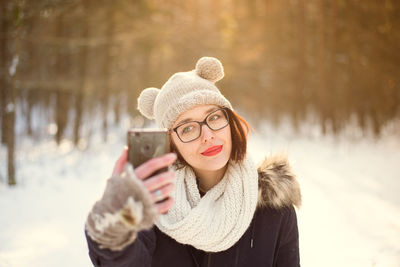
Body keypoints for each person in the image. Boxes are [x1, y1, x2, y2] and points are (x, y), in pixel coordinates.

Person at [84, 57, 302, 267]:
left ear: (230, 120)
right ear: (172, 144)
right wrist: (114, 219)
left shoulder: (274, 206)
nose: (207, 135)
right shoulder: (154, 206)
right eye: (187, 128)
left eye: (214, 117)